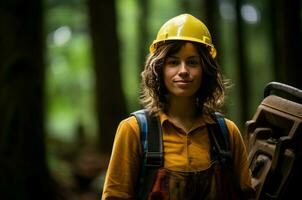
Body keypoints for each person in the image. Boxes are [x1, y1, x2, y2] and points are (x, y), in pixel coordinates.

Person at [101, 13, 255, 200]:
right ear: (159, 69)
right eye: (173, 62)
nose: (183, 71)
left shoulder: (227, 133)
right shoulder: (133, 130)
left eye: (192, 62)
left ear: (205, 69)